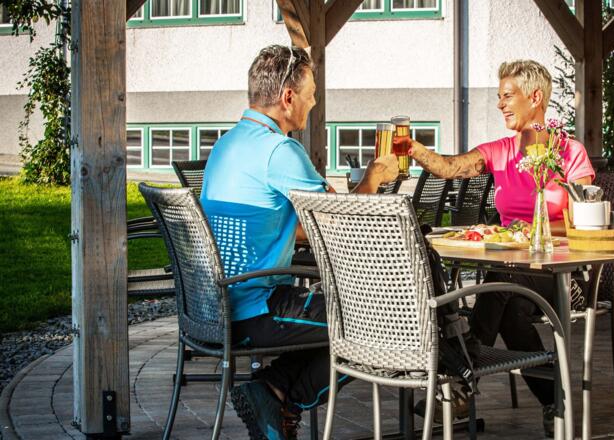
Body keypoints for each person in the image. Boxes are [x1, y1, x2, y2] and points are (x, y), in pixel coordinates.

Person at [200, 44, 398, 440]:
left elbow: (288, 224)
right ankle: (278, 395)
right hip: (258, 308)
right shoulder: (279, 150)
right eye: (310, 95)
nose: (312, 103)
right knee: (381, 322)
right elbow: (337, 225)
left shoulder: (228, 144)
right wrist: (373, 178)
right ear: (288, 97)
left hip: (219, 305)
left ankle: (272, 391)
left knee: (348, 319)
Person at [402, 59, 594, 437]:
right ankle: (556, 401)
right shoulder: (502, 151)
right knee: (507, 305)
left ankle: (461, 373)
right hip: (515, 273)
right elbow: (452, 168)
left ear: (534, 97)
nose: (500, 104)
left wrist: (536, 229)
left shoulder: (569, 153)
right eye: (499, 97)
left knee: (500, 280)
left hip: (563, 270)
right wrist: (413, 149)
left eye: (508, 96)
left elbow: (585, 216)